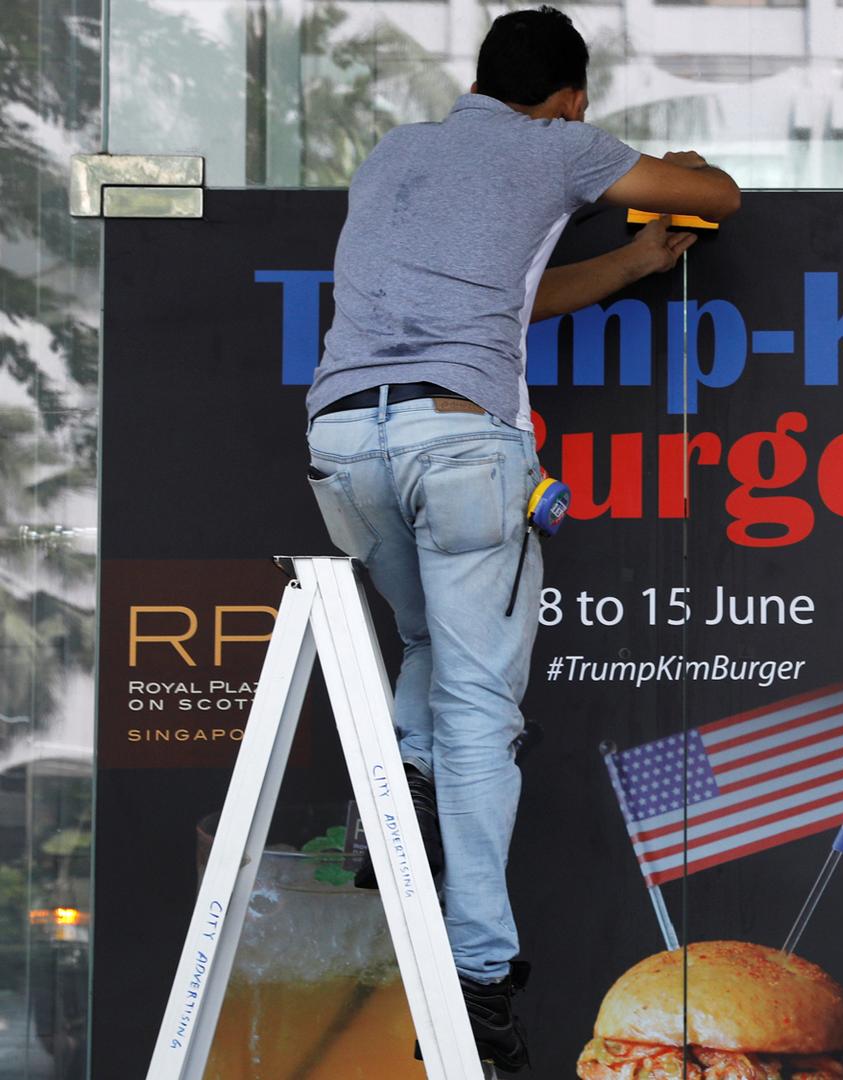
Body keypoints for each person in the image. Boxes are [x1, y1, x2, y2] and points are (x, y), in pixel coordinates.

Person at [301, 6, 740, 1070]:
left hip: (343, 440)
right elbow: (718, 196)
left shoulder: (399, 152)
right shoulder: (561, 145)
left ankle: (393, 792)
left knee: (429, 652)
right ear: (572, 97)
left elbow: (505, 297)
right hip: (461, 444)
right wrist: (666, 172)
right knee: (481, 714)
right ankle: (481, 974)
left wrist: (633, 266)